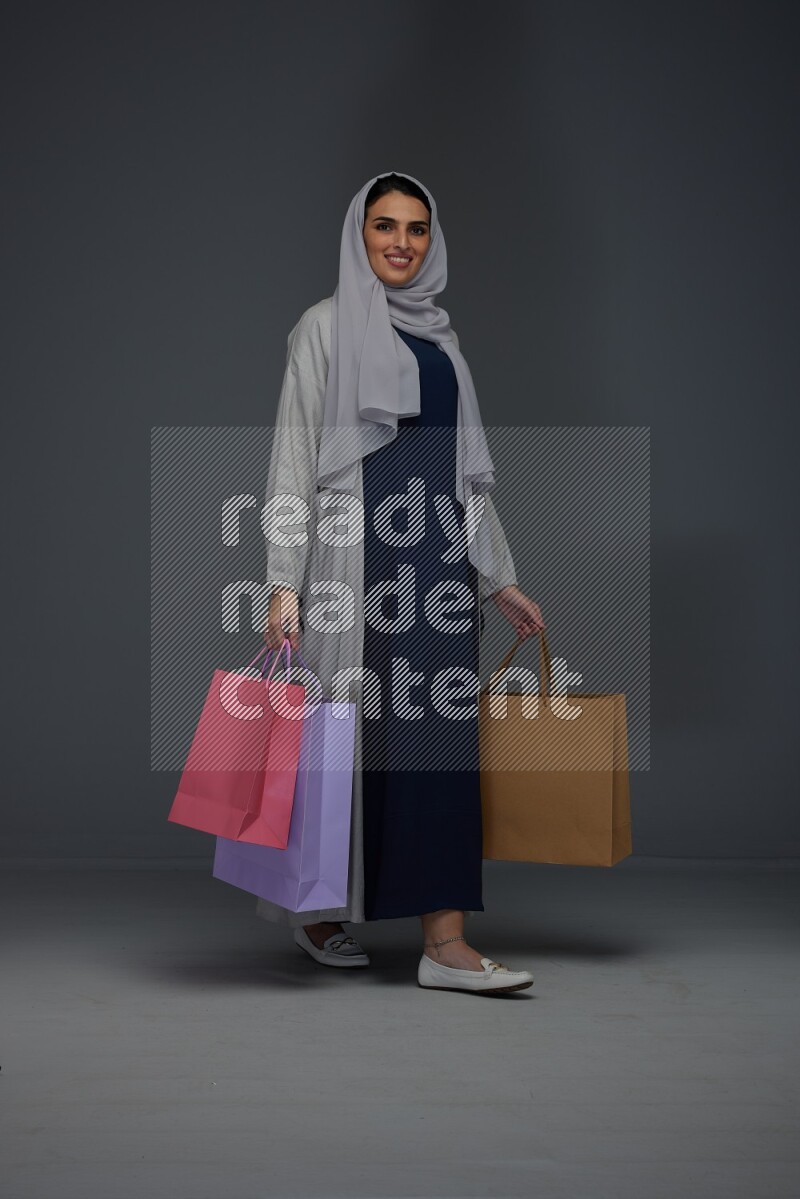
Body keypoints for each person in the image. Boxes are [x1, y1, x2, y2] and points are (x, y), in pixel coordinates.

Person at [260, 172, 545, 995]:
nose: (401, 242)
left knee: (436, 748)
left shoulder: (444, 342)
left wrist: (499, 580)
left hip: (436, 573)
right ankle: (319, 911)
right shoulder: (320, 329)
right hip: (356, 569)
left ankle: (444, 942)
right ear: (360, 234)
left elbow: (467, 477)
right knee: (339, 747)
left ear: (432, 241)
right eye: (384, 226)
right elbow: (291, 462)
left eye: (416, 229)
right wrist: (284, 581)